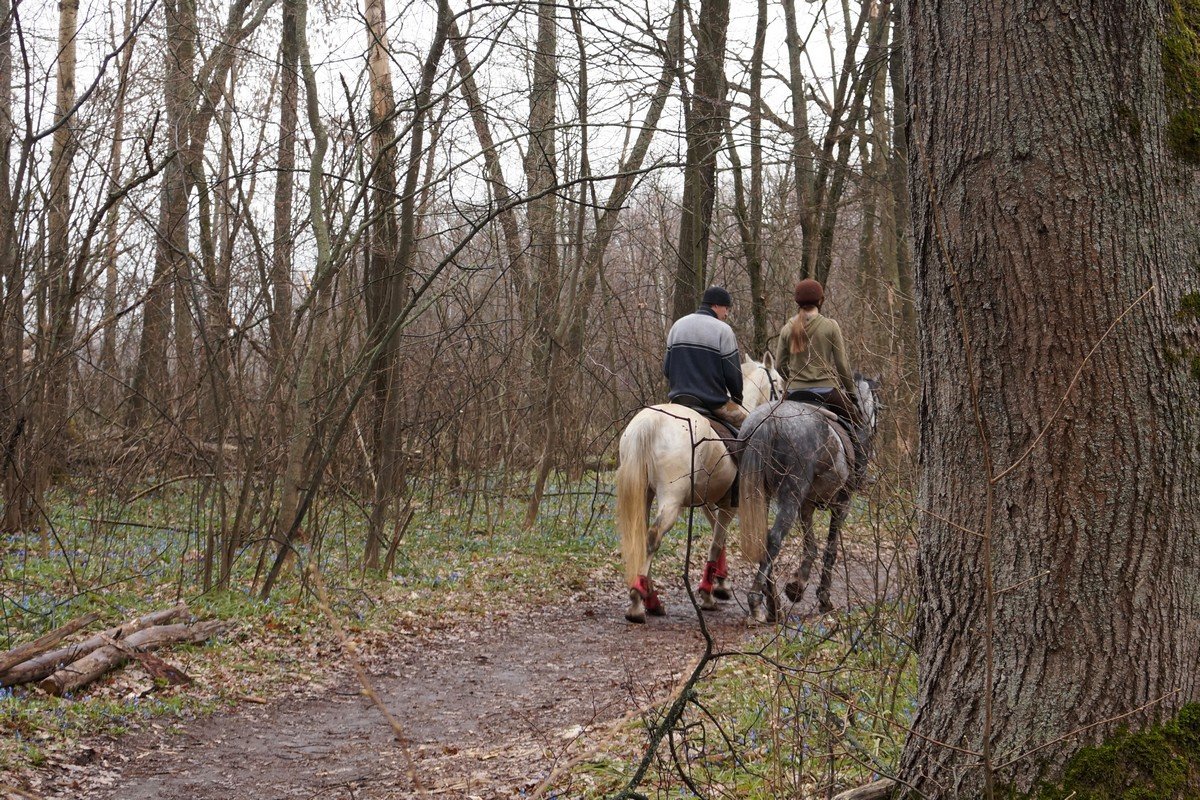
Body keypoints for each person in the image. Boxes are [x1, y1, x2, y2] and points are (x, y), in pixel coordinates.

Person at [773, 278, 865, 480]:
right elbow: (842, 366)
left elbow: (779, 365)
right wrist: (851, 393)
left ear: (797, 302)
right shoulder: (830, 326)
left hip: (795, 393)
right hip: (827, 392)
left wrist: (793, 380)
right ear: (821, 300)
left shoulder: (788, 328)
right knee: (858, 424)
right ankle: (859, 473)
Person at [663, 285, 746, 432]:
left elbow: (666, 370)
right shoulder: (723, 330)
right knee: (750, 427)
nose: (726, 314)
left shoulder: (677, 325)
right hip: (713, 403)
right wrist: (737, 399)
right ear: (715, 305)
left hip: (678, 400)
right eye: (726, 308)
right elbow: (733, 375)